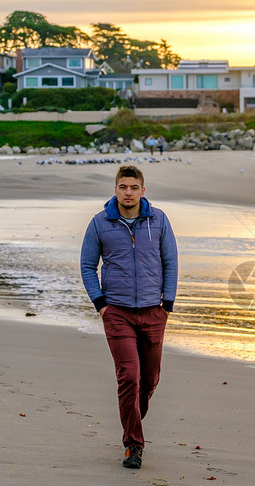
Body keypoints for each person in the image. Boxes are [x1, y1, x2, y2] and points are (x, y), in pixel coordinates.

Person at [80, 165, 178, 469]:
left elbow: (170, 261)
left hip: (152, 311)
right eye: (123, 187)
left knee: (149, 381)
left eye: (134, 187)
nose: (128, 192)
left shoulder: (159, 220)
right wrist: (101, 305)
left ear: (142, 191)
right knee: (129, 377)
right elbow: (87, 265)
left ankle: (130, 421)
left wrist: (167, 304)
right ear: (115, 190)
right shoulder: (99, 224)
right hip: (117, 312)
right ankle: (134, 445)